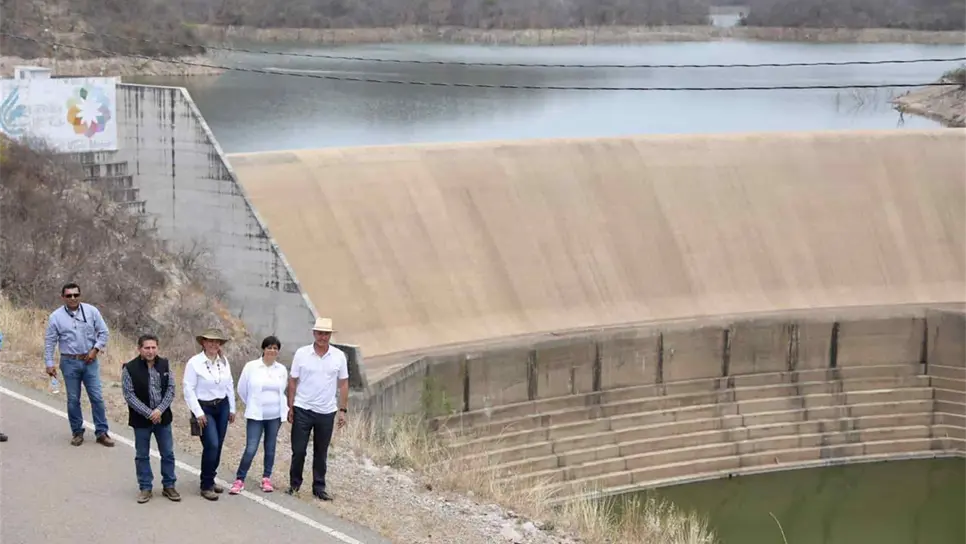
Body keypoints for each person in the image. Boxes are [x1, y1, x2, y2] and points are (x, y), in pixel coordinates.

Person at [43, 282, 114, 447]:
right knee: (73, 399)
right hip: (69, 362)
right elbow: (50, 341)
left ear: (80, 295)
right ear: (63, 297)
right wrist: (49, 363)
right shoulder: (56, 317)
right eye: (69, 295)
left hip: (90, 361)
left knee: (96, 397)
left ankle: (102, 432)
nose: (73, 298)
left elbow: (103, 332)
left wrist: (95, 350)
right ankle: (77, 431)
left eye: (76, 295)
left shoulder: (91, 311)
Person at [287, 317, 349, 501]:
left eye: (326, 334)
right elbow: (293, 380)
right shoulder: (302, 353)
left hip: (326, 411)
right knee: (298, 450)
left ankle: (319, 487)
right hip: (303, 408)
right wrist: (290, 406)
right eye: (320, 333)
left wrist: (343, 410)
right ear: (314, 334)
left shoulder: (339, 356)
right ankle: (294, 484)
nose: (323, 337)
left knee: (321, 452)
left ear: (330, 335)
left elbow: (344, 383)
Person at [121, 334, 181, 504]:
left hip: (163, 419)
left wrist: (159, 410)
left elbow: (171, 390)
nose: (150, 351)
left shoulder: (165, 364)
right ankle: (145, 487)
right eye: (147, 348)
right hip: (141, 421)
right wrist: (149, 413)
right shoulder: (130, 368)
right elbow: (129, 395)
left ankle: (169, 485)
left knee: (168, 453)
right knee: (142, 455)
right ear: (139, 349)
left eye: (153, 347)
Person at [229, 335, 289, 494]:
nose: (272, 350)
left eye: (275, 348)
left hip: (275, 415)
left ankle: (266, 478)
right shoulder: (251, 367)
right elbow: (242, 389)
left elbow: (283, 390)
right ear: (263, 349)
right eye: (269, 347)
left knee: (270, 447)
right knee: (251, 448)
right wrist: (252, 404)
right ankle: (240, 479)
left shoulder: (281, 370)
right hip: (256, 415)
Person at [183, 328, 236, 501]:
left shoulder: (223, 361)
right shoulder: (194, 363)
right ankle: (205, 485)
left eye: (217, 342)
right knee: (211, 443)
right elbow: (188, 389)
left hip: (222, 406)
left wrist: (232, 408)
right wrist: (198, 412)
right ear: (203, 343)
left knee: (219, 444)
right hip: (204, 407)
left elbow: (229, 385)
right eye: (210, 341)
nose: (214, 344)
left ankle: (211, 478)